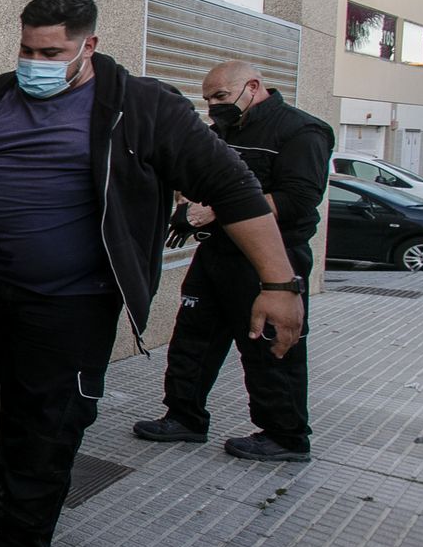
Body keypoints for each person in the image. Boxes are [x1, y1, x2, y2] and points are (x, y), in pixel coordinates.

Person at [0, 0, 305, 547]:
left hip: (71, 301)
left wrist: (280, 284)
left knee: (46, 422)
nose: (34, 62)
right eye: (26, 48)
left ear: (90, 45)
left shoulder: (141, 108)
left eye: (50, 51)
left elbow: (233, 188)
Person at [133, 61, 333, 462]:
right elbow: (193, 175)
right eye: (208, 100)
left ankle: (285, 436)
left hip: (269, 260)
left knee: (269, 344)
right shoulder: (222, 131)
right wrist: (186, 200)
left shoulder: (301, 131)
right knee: (192, 337)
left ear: (254, 87)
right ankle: (184, 417)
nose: (213, 107)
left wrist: (219, 210)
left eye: (220, 97)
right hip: (216, 255)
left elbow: (298, 199)